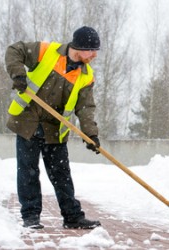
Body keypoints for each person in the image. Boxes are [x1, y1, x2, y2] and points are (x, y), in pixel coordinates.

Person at [5, 26, 102, 229]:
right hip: (28, 121)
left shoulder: (86, 76)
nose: (94, 55)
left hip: (55, 130)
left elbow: (85, 108)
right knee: (28, 171)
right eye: (91, 50)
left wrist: (90, 133)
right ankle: (31, 217)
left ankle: (72, 217)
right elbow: (15, 50)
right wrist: (18, 75)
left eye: (95, 51)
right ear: (78, 47)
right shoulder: (47, 51)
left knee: (61, 175)